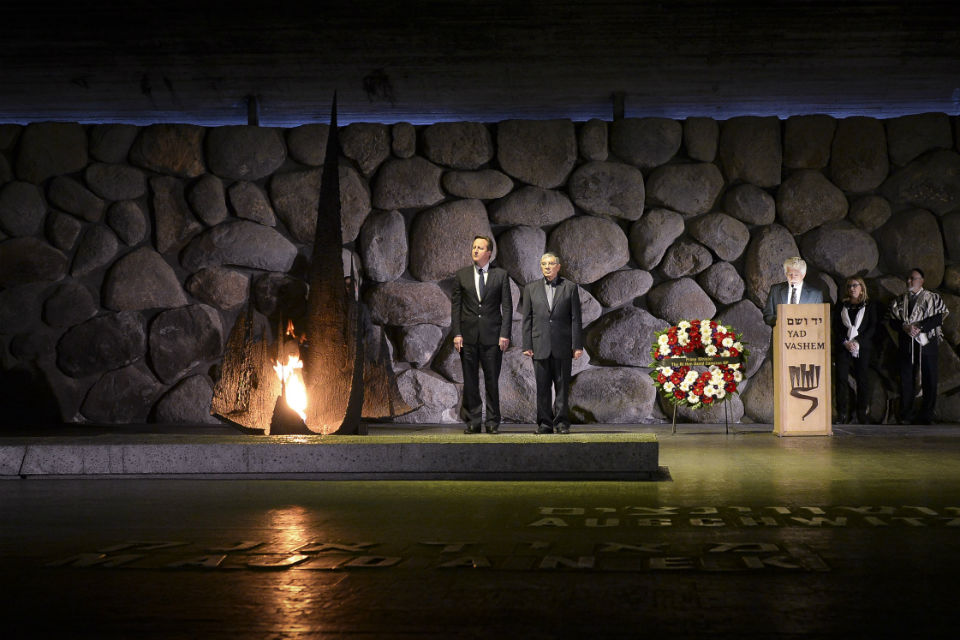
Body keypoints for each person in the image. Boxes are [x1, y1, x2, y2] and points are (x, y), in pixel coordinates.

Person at [451, 235, 512, 434]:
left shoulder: (501, 275)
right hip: (467, 337)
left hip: (493, 337)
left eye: (480, 247)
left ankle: (493, 421)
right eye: (474, 247)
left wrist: (504, 334)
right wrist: (457, 333)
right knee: (470, 381)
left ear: (489, 253)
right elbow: (456, 307)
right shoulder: (462, 275)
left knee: (491, 380)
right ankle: (473, 421)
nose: (475, 250)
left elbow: (507, 307)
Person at [521, 252, 583, 434]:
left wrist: (577, 345)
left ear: (558, 266)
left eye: (550, 264)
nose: (547, 267)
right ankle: (545, 423)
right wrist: (527, 345)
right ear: (540, 267)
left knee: (562, 386)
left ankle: (562, 422)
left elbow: (576, 319)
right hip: (540, 345)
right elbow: (527, 319)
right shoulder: (531, 289)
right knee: (542, 387)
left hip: (563, 346)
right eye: (543, 264)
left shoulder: (570, 288)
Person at [889, 268, 949, 424]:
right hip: (907, 344)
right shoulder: (900, 301)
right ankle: (906, 414)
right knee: (906, 379)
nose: (909, 281)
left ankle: (927, 415)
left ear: (921, 280)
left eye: (913, 278)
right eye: (908, 278)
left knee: (930, 378)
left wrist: (920, 326)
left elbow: (939, 317)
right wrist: (904, 327)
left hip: (926, 343)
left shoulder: (933, 298)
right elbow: (892, 321)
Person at [833, 276, 877, 424]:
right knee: (841, 379)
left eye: (855, 285)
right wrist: (845, 342)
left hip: (862, 347)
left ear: (862, 288)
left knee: (862, 379)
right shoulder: (841, 306)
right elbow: (836, 327)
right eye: (849, 286)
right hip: (844, 347)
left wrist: (858, 342)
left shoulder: (869, 306)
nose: (852, 288)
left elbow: (872, 327)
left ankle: (861, 413)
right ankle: (842, 413)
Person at [763, 256, 825, 326]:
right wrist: (782, 320)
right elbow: (767, 317)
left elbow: (819, 321)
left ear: (803, 275)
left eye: (796, 275)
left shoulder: (815, 295)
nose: (793, 278)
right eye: (790, 274)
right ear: (786, 274)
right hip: (780, 336)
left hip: (805, 336)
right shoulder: (775, 290)